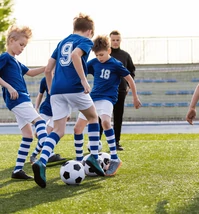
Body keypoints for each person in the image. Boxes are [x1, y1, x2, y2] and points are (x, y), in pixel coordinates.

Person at [32, 13, 105, 188]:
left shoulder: (62, 41)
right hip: (74, 87)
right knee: (93, 117)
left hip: (56, 90)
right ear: (89, 31)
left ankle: (42, 161)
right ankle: (94, 156)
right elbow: (75, 56)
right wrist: (83, 79)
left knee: (58, 130)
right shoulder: (86, 41)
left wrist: (51, 90)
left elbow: (48, 69)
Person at [73, 35, 141, 176]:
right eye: (97, 55)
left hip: (107, 99)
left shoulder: (116, 64)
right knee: (77, 128)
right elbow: (81, 69)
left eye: (102, 54)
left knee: (105, 122)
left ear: (109, 51)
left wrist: (135, 96)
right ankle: (79, 161)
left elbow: (130, 79)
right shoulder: (94, 63)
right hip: (92, 99)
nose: (99, 57)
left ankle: (115, 158)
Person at [0, 25, 47, 180]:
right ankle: (48, 151)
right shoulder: (5, 57)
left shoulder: (17, 62)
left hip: (22, 99)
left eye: (24, 46)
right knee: (40, 122)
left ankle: (17, 170)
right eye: (21, 45)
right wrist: (9, 86)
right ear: (11, 40)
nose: (22, 49)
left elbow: (32, 73)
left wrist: (49, 66)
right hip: (17, 99)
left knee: (28, 135)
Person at [99, 30, 135, 151]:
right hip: (104, 92)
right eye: (113, 40)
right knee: (101, 117)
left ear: (120, 40)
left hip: (120, 91)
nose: (115, 42)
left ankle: (116, 142)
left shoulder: (125, 56)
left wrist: (128, 86)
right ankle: (97, 141)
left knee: (118, 116)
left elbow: (131, 72)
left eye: (117, 40)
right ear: (109, 40)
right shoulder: (104, 54)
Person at [30, 76, 66, 165]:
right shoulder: (44, 79)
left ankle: (36, 154)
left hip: (57, 111)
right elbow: (40, 94)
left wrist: (67, 112)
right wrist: (36, 108)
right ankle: (49, 155)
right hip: (46, 109)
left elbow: (66, 97)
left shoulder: (64, 78)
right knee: (38, 133)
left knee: (51, 133)